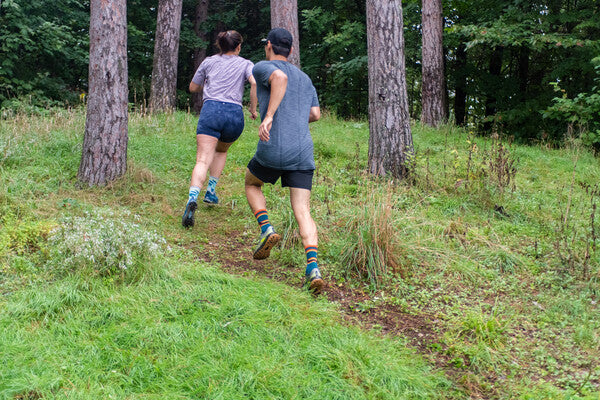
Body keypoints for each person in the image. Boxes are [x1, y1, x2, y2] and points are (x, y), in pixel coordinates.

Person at [245, 28, 324, 294]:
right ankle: (313, 268)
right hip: (302, 152)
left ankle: (266, 228)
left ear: (268, 45)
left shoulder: (262, 67)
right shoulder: (305, 78)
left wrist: (269, 116)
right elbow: (315, 114)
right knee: (303, 211)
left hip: (273, 146)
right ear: (290, 50)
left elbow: (278, 77)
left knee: (251, 183)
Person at [182, 30, 258, 228]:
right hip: (233, 114)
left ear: (220, 45)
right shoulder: (246, 64)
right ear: (238, 46)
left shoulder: (208, 62)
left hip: (211, 110)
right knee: (221, 150)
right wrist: (252, 108)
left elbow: (192, 87)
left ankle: (192, 197)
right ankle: (211, 191)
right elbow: (254, 82)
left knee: (202, 159)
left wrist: (205, 85)